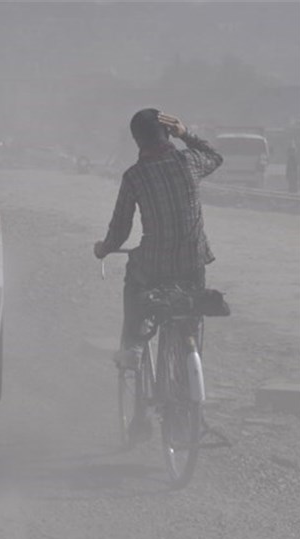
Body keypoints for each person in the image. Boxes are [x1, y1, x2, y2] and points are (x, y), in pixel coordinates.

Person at [93, 109, 223, 372]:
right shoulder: (190, 162)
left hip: (154, 266)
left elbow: (120, 230)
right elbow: (216, 157)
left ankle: (132, 347)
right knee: (190, 317)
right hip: (193, 261)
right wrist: (186, 134)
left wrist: (103, 249)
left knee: (134, 277)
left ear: (137, 141)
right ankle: (190, 362)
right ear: (167, 134)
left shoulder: (134, 176)